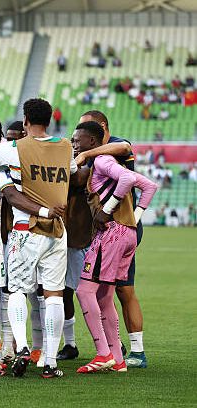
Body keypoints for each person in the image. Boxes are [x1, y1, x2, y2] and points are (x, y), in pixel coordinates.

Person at [0, 98, 77, 379]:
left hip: (25, 229)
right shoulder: (65, 147)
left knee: (18, 291)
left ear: (25, 121)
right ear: (50, 120)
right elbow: (74, 176)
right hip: (57, 230)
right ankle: (49, 361)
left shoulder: (12, 149)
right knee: (53, 296)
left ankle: (21, 346)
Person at [72, 121, 157, 373]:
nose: (74, 144)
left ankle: (103, 354)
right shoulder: (108, 162)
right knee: (104, 296)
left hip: (111, 234)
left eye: (77, 140)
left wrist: (107, 210)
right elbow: (149, 186)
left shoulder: (101, 161)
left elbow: (128, 178)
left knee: (84, 291)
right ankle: (118, 359)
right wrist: (135, 218)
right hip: (126, 233)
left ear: (92, 141)